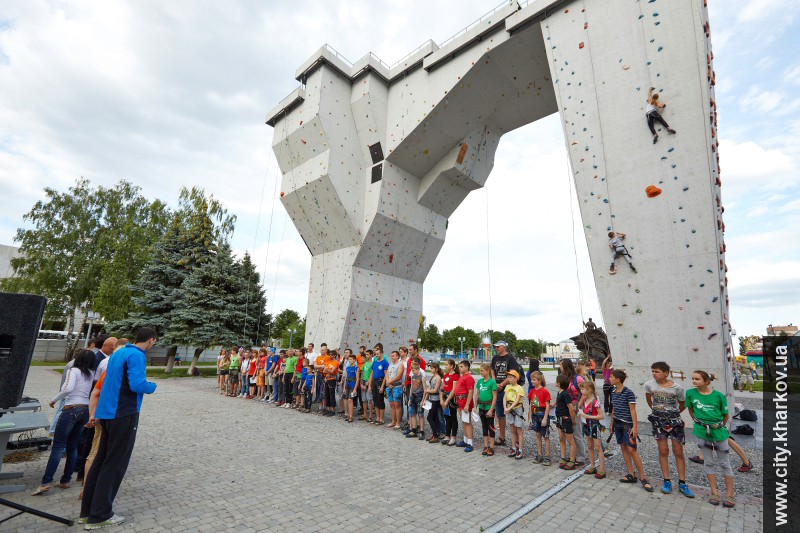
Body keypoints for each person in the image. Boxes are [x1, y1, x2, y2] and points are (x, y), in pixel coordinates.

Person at [80, 327, 158, 529]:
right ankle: (100, 515)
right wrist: (152, 386)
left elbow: (107, 383)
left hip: (107, 413)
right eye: (154, 342)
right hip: (124, 413)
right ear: (151, 340)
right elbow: (137, 385)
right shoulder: (136, 355)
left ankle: (87, 511)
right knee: (115, 464)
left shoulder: (119, 352)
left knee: (100, 461)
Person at [32, 349, 95, 496]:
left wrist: (54, 399)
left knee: (58, 446)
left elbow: (68, 388)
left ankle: (46, 482)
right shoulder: (91, 374)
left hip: (71, 408)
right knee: (73, 446)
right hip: (84, 410)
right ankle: (66, 480)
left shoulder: (74, 370)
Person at [644, 361, 694, 498]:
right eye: (653, 371)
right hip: (658, 422)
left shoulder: (677, 388)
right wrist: (658, 412)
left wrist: (673, 414)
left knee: (678, 451)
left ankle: (683, 482)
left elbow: (683, 404)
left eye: (657, 371)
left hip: (675, 422)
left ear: (666, 373)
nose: (654, 374)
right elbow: (649, 400)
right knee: (663, 450)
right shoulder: (649, 385)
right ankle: (667, 481)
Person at [686, 371, 736, 507]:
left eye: (697, 379)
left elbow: (725, 415)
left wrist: (717, 426)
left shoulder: (719, 396)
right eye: (693, 378)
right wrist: (699, 423)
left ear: (706, 381)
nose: (694, 381)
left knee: (725, 463)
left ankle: (730, 494)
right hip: (701, 432)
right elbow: (691, 410)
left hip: (718, 432)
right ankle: (714, 492)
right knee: (708, 462)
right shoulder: (690, 393)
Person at [609, 369, 653, 492]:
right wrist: (612, 423)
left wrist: (635, 427)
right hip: (617, 423)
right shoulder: (613, 391)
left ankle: (643, 478)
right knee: (623, 447)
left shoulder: (628, 393)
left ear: (618, 379)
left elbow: (633, 410)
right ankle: (631, 474)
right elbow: (614, 409)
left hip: (627, 425)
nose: (609, 378)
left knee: (632, 450)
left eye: (611, 377)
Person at [490, 340, 524, 448]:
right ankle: (502, 437)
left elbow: (513, 373)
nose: (496, 348)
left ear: (504, 347)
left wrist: (502, 385)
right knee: (500, 414)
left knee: (513, 413)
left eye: (498, 346)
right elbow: (492, 370)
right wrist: (495, 383)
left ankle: (517, 440)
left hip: (508, 389)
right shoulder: (495, 358)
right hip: (497, 388)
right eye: (496, 347)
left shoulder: (510, 358)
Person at [577, 381, 606, 479]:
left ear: (589, 390)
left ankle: (602, 469)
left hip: (594, 426)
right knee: (590, 446)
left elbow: (601, 416)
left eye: (582, 389)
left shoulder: (595, 401)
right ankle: (593, 466)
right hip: (587, 425)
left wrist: (587, 415)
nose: (581, 391)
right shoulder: (585, 400)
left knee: (598, 447)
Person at [561, 359, 587, 465]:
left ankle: (581, 457)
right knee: (570, 433)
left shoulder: (578, 378)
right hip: (567, 408)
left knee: (577, 433)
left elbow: (585, 392)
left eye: (561, 365)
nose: (560, 367)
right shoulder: (565, 378)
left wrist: (578, 405)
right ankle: (574, 454)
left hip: (576, 408)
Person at [447, 360, 475, 452]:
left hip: (465, 402)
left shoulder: (469, 377)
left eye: (462, 366)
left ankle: (470, 443)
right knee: (464, 421)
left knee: (468, 422)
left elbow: (471, 392)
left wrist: (467, 405)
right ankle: (465, 440)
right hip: (460, 402)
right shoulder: (462, 377)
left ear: (467, 367)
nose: (460, 368)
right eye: (459, 366)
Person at [527, 371, 552, 466]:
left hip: (542, 414)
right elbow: (530, 404)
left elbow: (548, 405)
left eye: (534, 379)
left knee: (545, 436)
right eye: (531, 379)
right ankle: (539, 454)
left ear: (539, 380)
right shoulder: (532, 391)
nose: (532, 381)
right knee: (538, 435)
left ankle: (547, 456)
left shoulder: (545, 391)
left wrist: (545, 418)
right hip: (534, 414)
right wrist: (529, 417)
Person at [555, 375, 578, 470]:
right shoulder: (559, 393)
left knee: (570, 440)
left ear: (559, 383)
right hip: (559, 418)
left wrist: (573, 420)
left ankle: (572, 460)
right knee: (561, 438)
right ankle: (563, 457)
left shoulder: (565, 394)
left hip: (565, 419)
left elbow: (571, 408)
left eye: (556, 381)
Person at [475, 363, 497, 456]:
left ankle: (491, 446)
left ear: (487, 371)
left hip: (489, 407)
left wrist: (491, 409)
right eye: (480, 371)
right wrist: (475, 406)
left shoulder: (492, 382)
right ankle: (486, 445)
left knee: (490, 427)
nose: (481, 372)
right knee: (484, 426)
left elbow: (495, 396)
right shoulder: (480, 381)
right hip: (481, 407)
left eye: (482, 371)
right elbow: (477, 394)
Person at [503, 370, 526, 459]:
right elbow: (505, 397)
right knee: (512, 429)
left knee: (519, 430)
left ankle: (520, 449)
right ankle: (513, 447)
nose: (508, 379)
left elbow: (517, 400)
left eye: (510, 377)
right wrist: (505, 407)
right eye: (508, 377)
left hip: (517, 409)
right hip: (509, 408)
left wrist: (509, 408)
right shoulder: (508, 387)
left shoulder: (519, 388)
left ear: (516, 378)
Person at [441, 359, 460, 446]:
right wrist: (442, 399)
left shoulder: (456, 376)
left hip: (451, 399)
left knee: (453, 418)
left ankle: (453, 436)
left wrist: (447, 400)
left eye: (447, 364)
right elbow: (443, 388)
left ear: (451, 366)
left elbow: (454, 389)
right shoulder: (445, 376)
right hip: (445, 398)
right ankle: (447, 435)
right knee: (446, 417)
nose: (446, 366)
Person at [424, 362, 443, 443]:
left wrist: (427, 390)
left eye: (432, 368)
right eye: (430, 368)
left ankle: (435, 435)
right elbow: (430, 388)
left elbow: (435, 390)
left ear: (436, 369)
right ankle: (434, 434)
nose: (431, 369)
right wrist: (425, 398)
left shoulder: (438, 378)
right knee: (434, 418)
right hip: (432, 399)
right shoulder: (433, 377)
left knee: (430, 417)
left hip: (436, 400)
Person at [406, 360, 426, 439]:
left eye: (413, 370)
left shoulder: (422, 377)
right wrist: (410, 398)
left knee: (420, 414)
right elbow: (411, 387)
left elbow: (425, 389)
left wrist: (423, 400)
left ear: (418, 369)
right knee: (412, 413)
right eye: (412, 370)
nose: (412, 371)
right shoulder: (413, 376)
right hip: (413, 396)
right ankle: (413, 430)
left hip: (420, 396)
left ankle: (422, 431)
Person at [370, 344, 389, 425]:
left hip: (381, 382)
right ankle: (377, 417)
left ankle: (381, 418)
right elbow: (372, 373)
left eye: (378, 354)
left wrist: (382, 386)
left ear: (381, 353)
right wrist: (370, 385)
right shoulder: (374, 363)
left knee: (380, 401)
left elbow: (386, 375)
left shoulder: (385, 363)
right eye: (376, 354)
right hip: (374, 382)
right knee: (375, 401)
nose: (376, 355)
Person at [385, 350, 405, 428]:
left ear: (397, 356)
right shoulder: (390, 365)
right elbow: (386, 374)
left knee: (397, 405)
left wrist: (390, 382)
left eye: (393, 356)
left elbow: (399, 376)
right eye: (391, 356)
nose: (392, 357)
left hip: (397, 387)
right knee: (391, 404)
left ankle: (398, 423)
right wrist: (388, 382)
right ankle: (393, 421)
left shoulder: (400, 365)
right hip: (389, 387)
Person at [343, 352, 359, 422]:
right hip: (347, 385)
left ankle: (351, 416)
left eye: (351, 359)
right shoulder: (347, 368)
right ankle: (348, 414)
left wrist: (355, 389)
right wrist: (344, 387)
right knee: (346, 399)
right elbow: (346, 378)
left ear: (354, 360)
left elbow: (358, 379)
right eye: (349, 359)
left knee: (350, 400)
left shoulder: (356, 368)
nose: (350, 361)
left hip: (353, 385)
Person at [323, 349, 340, 416]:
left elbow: (333, 371)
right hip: (327, 379)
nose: (330, 356)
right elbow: (324, 371)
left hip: (332, 379)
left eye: (332, 355)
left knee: (332, 394)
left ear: (335, 355)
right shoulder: (328, 362)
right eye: (330, 354)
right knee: (327, 394)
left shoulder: (336, 362)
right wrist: (328, 370)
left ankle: (333, 410)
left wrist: (327, 369)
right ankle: (328, 409)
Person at [361, 349, 375, 422]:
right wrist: (361, 383)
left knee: (369, 399)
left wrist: (368, 383)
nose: (366, 356)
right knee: (364, 399)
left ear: (371, 355)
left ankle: (371, 415)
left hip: (369, 382)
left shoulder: (372, 363)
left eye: (367, 354)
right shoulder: (365, 363)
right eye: (366, 354)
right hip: (364, 381)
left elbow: (372, 374)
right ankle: (365, 414)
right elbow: (362, 373)